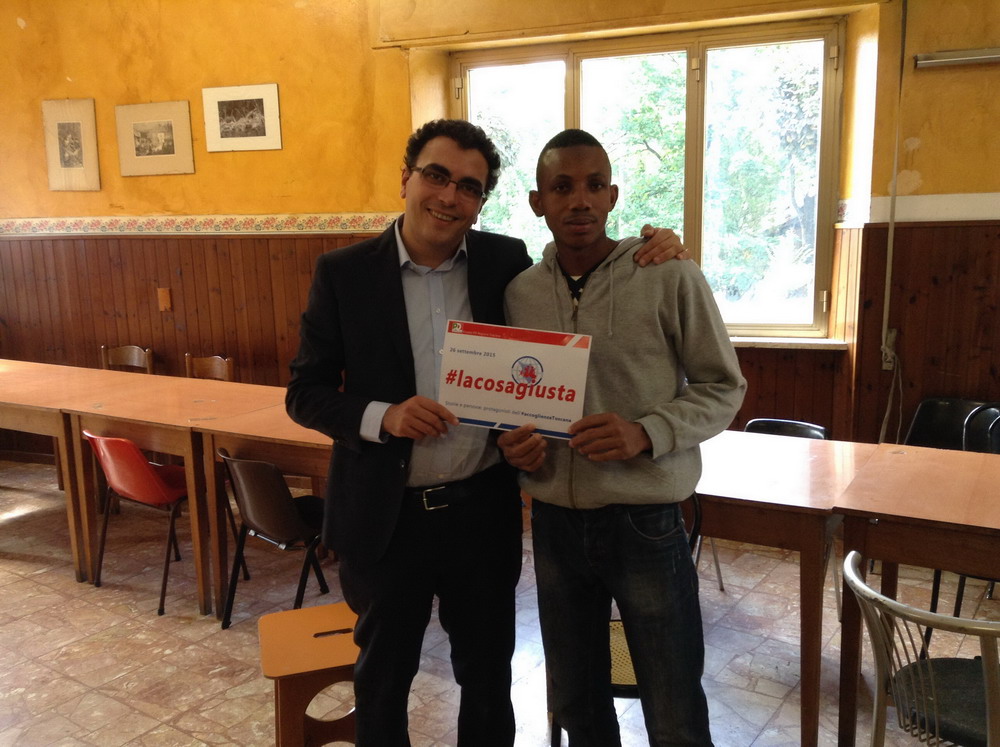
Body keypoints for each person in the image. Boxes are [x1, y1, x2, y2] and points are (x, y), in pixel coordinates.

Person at [285, 118, 687, 746]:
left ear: (481, 202)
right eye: (437, 176)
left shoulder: (506, 264)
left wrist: (661, 241)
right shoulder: (343, 273)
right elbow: (304, 393)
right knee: (383, 681)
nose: (450, 196)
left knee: (488, 680)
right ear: (406, 179)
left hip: (481, 514)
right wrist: (383, 416)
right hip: (386, 519)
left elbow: (538, 358)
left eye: (469, 187)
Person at [498, 129, 746, 746]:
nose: (579, 200)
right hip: (554, 522)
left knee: (672, 703)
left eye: (593, 185)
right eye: (562, 187)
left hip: (646, 522)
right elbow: (513, 399)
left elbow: (723, 387)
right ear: (537, 202)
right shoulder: (520, 293)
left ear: (613, 196)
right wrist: (514, 445)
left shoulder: (667, 275)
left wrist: (646, 432)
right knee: (577, 702)